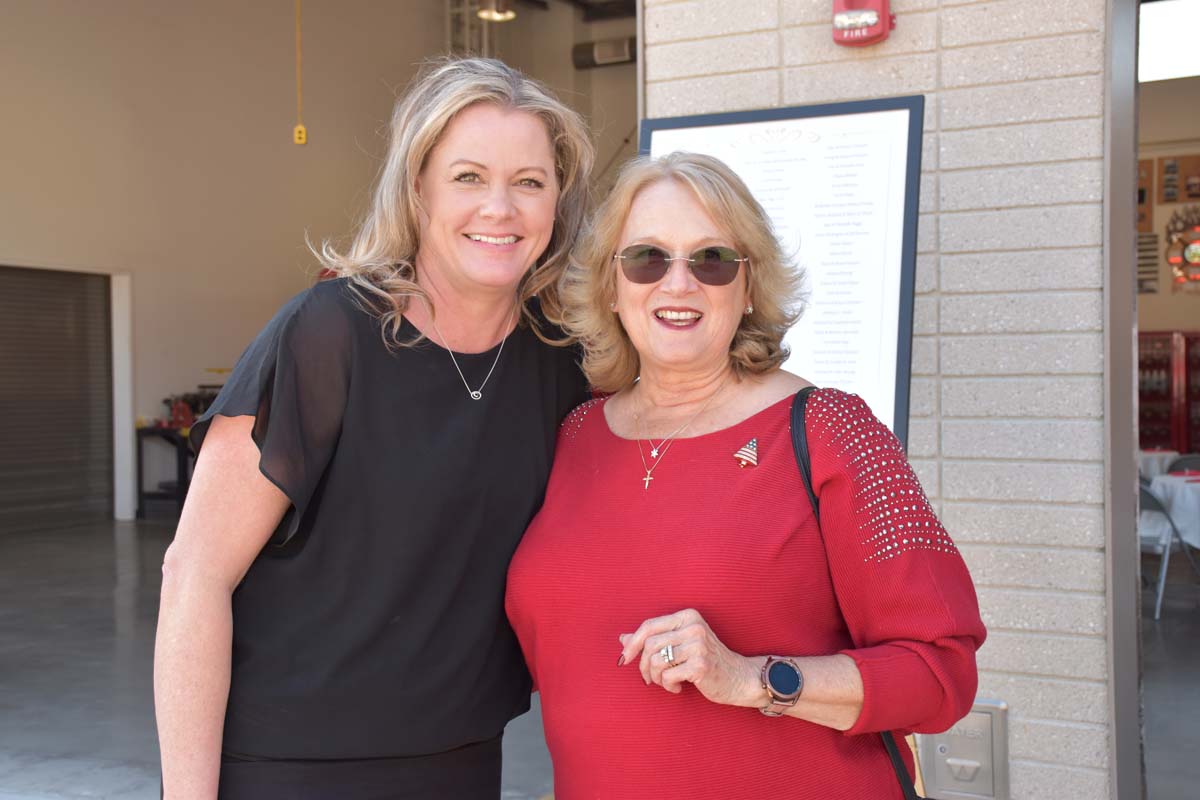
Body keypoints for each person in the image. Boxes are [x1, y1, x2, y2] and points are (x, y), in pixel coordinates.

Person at [154, 57, 594, 799]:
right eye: (467, 177)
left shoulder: (562, 363)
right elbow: (194, 576)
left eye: (529, 181)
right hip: (291, 767)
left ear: (558, 202)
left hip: (459, 760)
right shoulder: (329, 337)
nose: (501, 208)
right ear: (416, 188)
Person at [505, 152, 986, 799]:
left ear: (749, 284)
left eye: (711, 260)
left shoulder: (830, 429)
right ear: (611, 284)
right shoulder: (572, 433)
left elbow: (941, 674)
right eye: (647, 258)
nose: (678, 284)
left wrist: (750, 678)